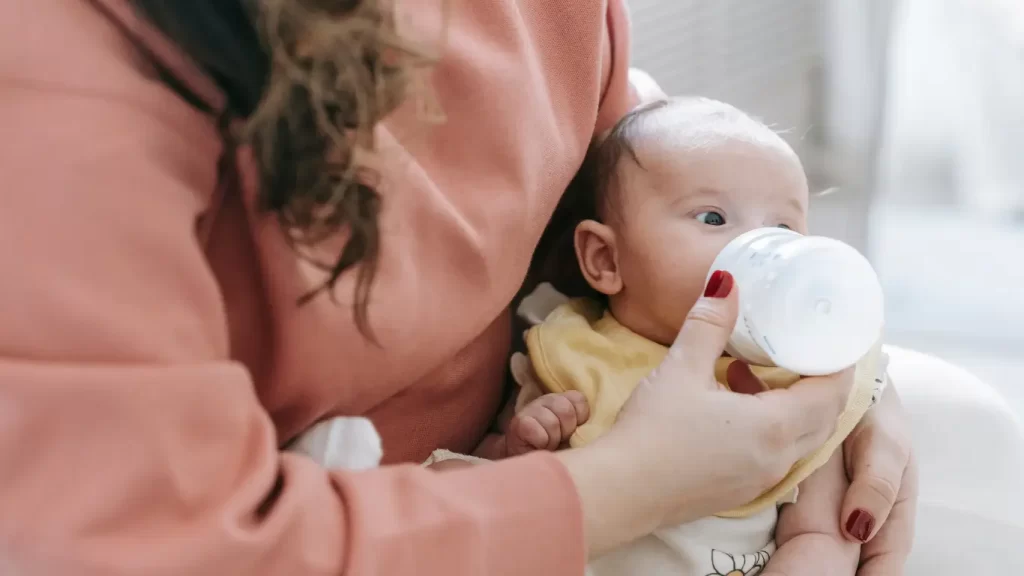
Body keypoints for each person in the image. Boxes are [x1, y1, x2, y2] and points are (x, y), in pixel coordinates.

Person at [0, 1, 916, 575]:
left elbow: (614, 158)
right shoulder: (62, 74)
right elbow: (150, 540)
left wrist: (828, 356)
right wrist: (625, 487)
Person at [484, 97, 882, 575]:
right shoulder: (574, 352)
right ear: (606, 260)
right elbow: (487, 486)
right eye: (713, 218)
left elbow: (820, 535)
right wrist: (520, 450)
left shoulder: (799, 387)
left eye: (782, 227)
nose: (759, 247)